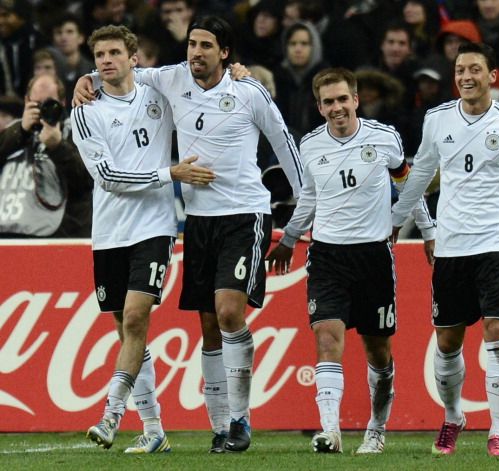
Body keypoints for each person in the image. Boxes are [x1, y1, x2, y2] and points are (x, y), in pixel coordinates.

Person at [75, 15, 303, 453]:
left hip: (243, 214)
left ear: (225, 52)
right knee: (208, 324)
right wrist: (83, 79)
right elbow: (118, 69)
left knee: (227, 311)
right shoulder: (170, 80)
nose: (195, 52)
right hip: (197, 220)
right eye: (191, 43)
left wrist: (302, 213)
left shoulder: (248, 90)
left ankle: (239, 419)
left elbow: (284, 143)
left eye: (205, 45)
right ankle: (219, 429)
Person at [391, 42, 499, 457]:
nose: (465, 77)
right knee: (448, 342)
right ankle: (453, 416)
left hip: (497, 244)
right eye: (459, 70)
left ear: (492, 76)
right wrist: (394, 223)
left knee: (497, 331)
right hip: (451, 248)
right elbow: (420, 179)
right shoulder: (436, 120)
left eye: (474, 69)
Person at [267, 67, 436, 454]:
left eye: (343, 99)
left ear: (356, 99)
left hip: (374, 256)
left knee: (378, 351)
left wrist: (429, 232)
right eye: (329, 102)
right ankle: (331, 431)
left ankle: (376, 429)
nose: (337, 108)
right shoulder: (309, 146)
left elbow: (407, 187)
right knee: (327, 338)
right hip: (327, 256)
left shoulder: (384, 137)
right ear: (319, 106)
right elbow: (309, 197)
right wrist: (290, 238)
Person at [71, 24, 204, 453]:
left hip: (154, 226)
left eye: (114, 52)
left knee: (133, 319)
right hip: (109, 231)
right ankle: (154, 429)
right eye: (99, 55)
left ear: (134, 58)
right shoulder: (85, 111)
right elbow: (108, 177)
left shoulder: (158, 93)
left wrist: (238, 71)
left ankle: (110, 415)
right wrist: (171, 173)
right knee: (128, 330)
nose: (106, 60)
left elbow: (201, 68)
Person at [0, 73, 92, 238]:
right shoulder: (12, 132)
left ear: (63, 103)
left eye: (49, 104)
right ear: (27, 101)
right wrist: (21, 131)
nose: (42, 110)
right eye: (36, 104)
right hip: (8, 231)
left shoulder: (77, 132)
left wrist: (58, 147)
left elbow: (86, 182)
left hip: (57, 234)